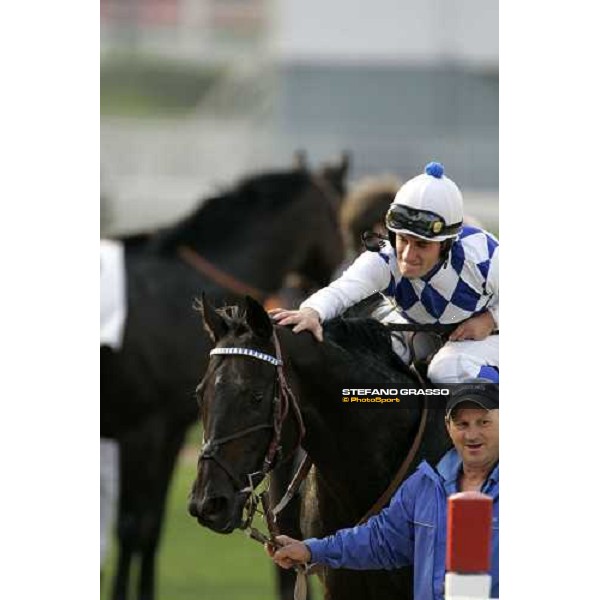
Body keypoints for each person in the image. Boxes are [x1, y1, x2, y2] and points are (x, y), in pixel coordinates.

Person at [266, 380, 499, 600]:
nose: (472, 435)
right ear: (448, 427)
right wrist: (309, 550)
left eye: (484, 422)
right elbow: (381, 540)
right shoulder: (425, 484)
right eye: (462, 424)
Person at [270, 162, 499, 384]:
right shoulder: (383, 258)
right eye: (403, 240)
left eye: (421, 245)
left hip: (495, 337)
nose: (408, 255)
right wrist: (311, 312)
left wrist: (489, 320)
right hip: (425, 334)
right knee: (368, 365)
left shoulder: (483, 255)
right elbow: (341, 291)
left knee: (446, 369)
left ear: (446, 245)